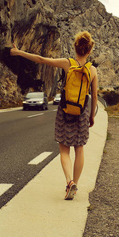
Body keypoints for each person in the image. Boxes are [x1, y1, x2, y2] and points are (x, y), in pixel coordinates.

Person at [10, 31, 98, 200]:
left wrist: (19, 52)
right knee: (79, 149)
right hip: (81, 112)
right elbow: (94, 96)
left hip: (65, 110)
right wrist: (91, 116)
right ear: (89, 50)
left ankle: (69, 181)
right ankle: (75, 185)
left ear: (75, 48)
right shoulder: (92, 70)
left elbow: (42, 60)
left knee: (64, 148)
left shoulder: (67, 63)